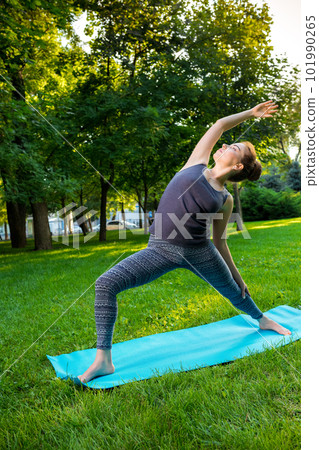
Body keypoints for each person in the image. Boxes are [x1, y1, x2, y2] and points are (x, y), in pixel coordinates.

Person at [78, 100, 291, 384]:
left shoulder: (224, 199)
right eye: (228, 144)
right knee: (106, 283)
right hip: (160, 249)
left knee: (233, 291)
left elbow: (220, 240)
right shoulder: (195, 164)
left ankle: (261, 319)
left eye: (234, 148)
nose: (226, 145)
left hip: (199, 251)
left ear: (238, 165)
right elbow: (219, 125)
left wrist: (237, 276)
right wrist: (251, 114)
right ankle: (103, 359)